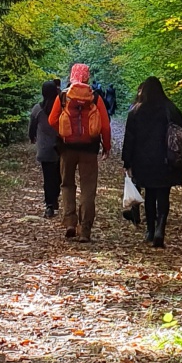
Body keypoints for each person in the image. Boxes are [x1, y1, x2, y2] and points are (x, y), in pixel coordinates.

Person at [48, 63, 111, 242]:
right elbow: (105, 126)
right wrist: (106, 146)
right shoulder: (95, 97)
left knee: (67, 184)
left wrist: (63, 131)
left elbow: (52, 120)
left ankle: (69, 222)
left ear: (72, 75)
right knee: (88, 189)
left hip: (67, 149)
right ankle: (85, 229)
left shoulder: (63, 96)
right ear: (87, 76)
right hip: (90, 150)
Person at [122, 76, 182, 249]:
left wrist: (127, 161)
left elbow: (130, 138)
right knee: (163, 195)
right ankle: (160, 229)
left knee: (149, 195)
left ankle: (150, 230)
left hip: (143, 161)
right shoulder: (170, 109)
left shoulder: (136, 111)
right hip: (165, 160)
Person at [28, 79, 62, 217]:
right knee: (58, 177)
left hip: (44, 149)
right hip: (60, 147)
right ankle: (54, 199)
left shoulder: (38, 108)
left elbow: (32, 126)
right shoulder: (61, 107)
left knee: (48, 178)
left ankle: (49, 204)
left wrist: (32, 137)